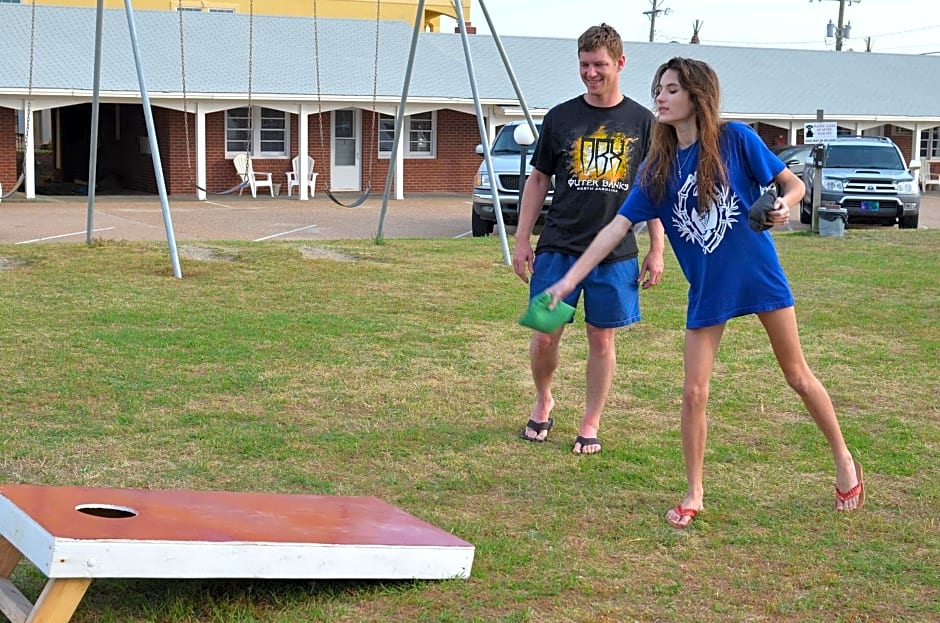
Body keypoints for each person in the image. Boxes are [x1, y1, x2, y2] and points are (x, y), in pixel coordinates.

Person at [541, 57, 865, 525]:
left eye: (671, 89)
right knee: (693, 392)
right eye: (659, 89)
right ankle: (694, 492)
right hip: (708, 288)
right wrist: (569, 281)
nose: (660, 97)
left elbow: (791, 185)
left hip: (758, 276)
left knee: (797, 375)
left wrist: (781, 205)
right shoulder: (659, 164)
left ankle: (843, 459)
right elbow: (617, 227)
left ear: (697, 95)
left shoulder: (735, 139)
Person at [514, 23, 665, 455]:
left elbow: (651, 188)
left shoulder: (643, 122)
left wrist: (656, 248)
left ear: (620, 63)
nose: (591, 73)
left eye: (600, 64)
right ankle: (544, 399)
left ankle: (591, 419)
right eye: (584, 64)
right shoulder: (560, 118)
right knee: (545, 333)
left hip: (615, 255)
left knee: (602, 338)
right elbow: (538, 178)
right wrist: (523, 239)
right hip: (559, 246)